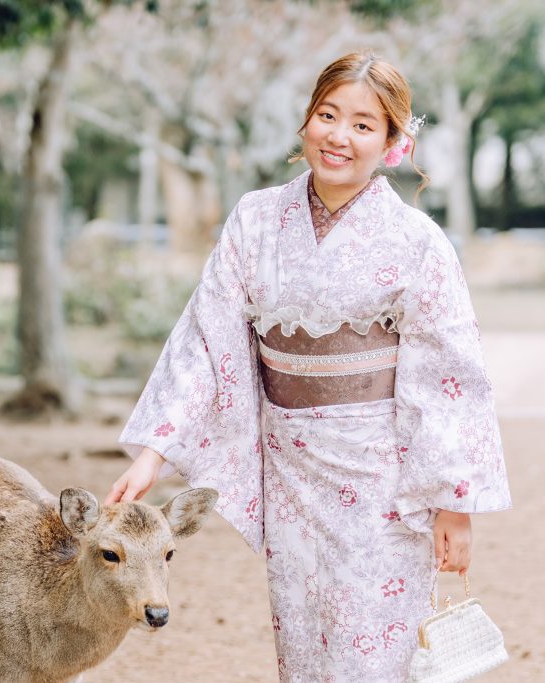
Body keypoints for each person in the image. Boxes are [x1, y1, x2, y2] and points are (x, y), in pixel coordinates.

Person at [105, 51, 511, 682]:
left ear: (393, 142)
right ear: (306, 120)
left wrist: (453, 503)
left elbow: (446, 378)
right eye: (327, 115)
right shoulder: (256, 219)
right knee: (302, 646)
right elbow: (205, 339)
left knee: (373, 653)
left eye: (362, 125)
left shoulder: (416, 242)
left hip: (383, 477)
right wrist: (154, 452)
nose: (339, 136)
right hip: (289, 466)